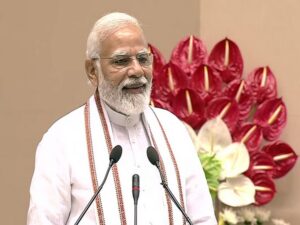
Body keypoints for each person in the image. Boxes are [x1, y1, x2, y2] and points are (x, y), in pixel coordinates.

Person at [27, 12, 217, 225]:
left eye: (143, 59)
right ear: (92, 71)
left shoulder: (172, 129)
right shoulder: (62, 139)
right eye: (121, 61)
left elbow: (202, 218)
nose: (137, 70)